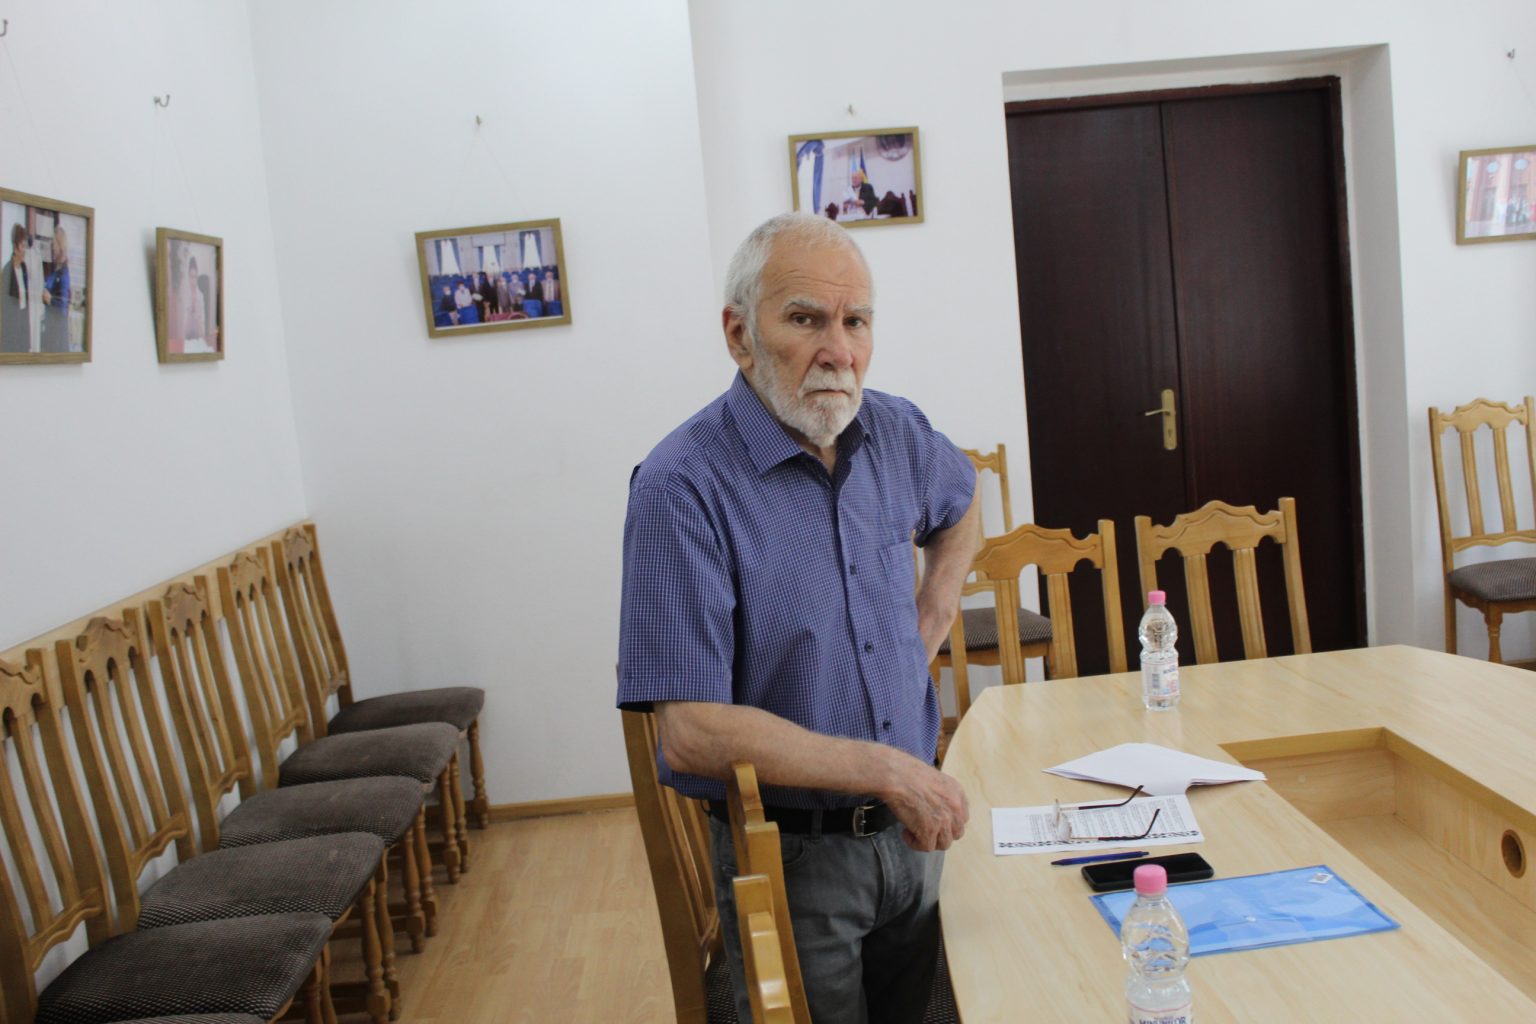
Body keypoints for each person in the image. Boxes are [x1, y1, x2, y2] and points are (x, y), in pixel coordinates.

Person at [617, 212, 978, 1024]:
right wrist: (887, 770)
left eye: (856, 322)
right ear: (739, 335)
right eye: (806, 320)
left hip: (914, 835)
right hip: (790, 856)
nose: (838, 351)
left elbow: (963, 505)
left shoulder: (895, 430)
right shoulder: (681, 487)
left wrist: (935, 605)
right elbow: (692, 731)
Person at [39, 226, 71, 354]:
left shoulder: (63, 273)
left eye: (54, 244)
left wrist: (50, 300)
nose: (52, 248)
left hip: (57, 335)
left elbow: (63, 306)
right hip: (51, 330)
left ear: (60, 245)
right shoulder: (55, 271)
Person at [2, 222, 31, 354]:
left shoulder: (24, 268)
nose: (25, 250)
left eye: (25, 246)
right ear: (15, 246)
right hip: (12, 331)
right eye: (22, 246)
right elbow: (6, 308)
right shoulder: (7, 271)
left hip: (23, 328)